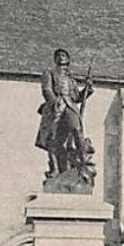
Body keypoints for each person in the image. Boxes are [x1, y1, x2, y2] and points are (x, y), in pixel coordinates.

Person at [35, 48, 93, 176]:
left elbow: (77, 97)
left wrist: (87, 90)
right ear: (55, 59)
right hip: (56, 106)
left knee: (76, 130)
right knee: (53, 138)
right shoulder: (49, 73)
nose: (61, 57)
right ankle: (55, 169)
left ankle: (83, 164)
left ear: (68, 60)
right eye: (58, 55)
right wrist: (54, 102)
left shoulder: (71, 79)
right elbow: (47, 90)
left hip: (70, 106)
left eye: (64, 55)